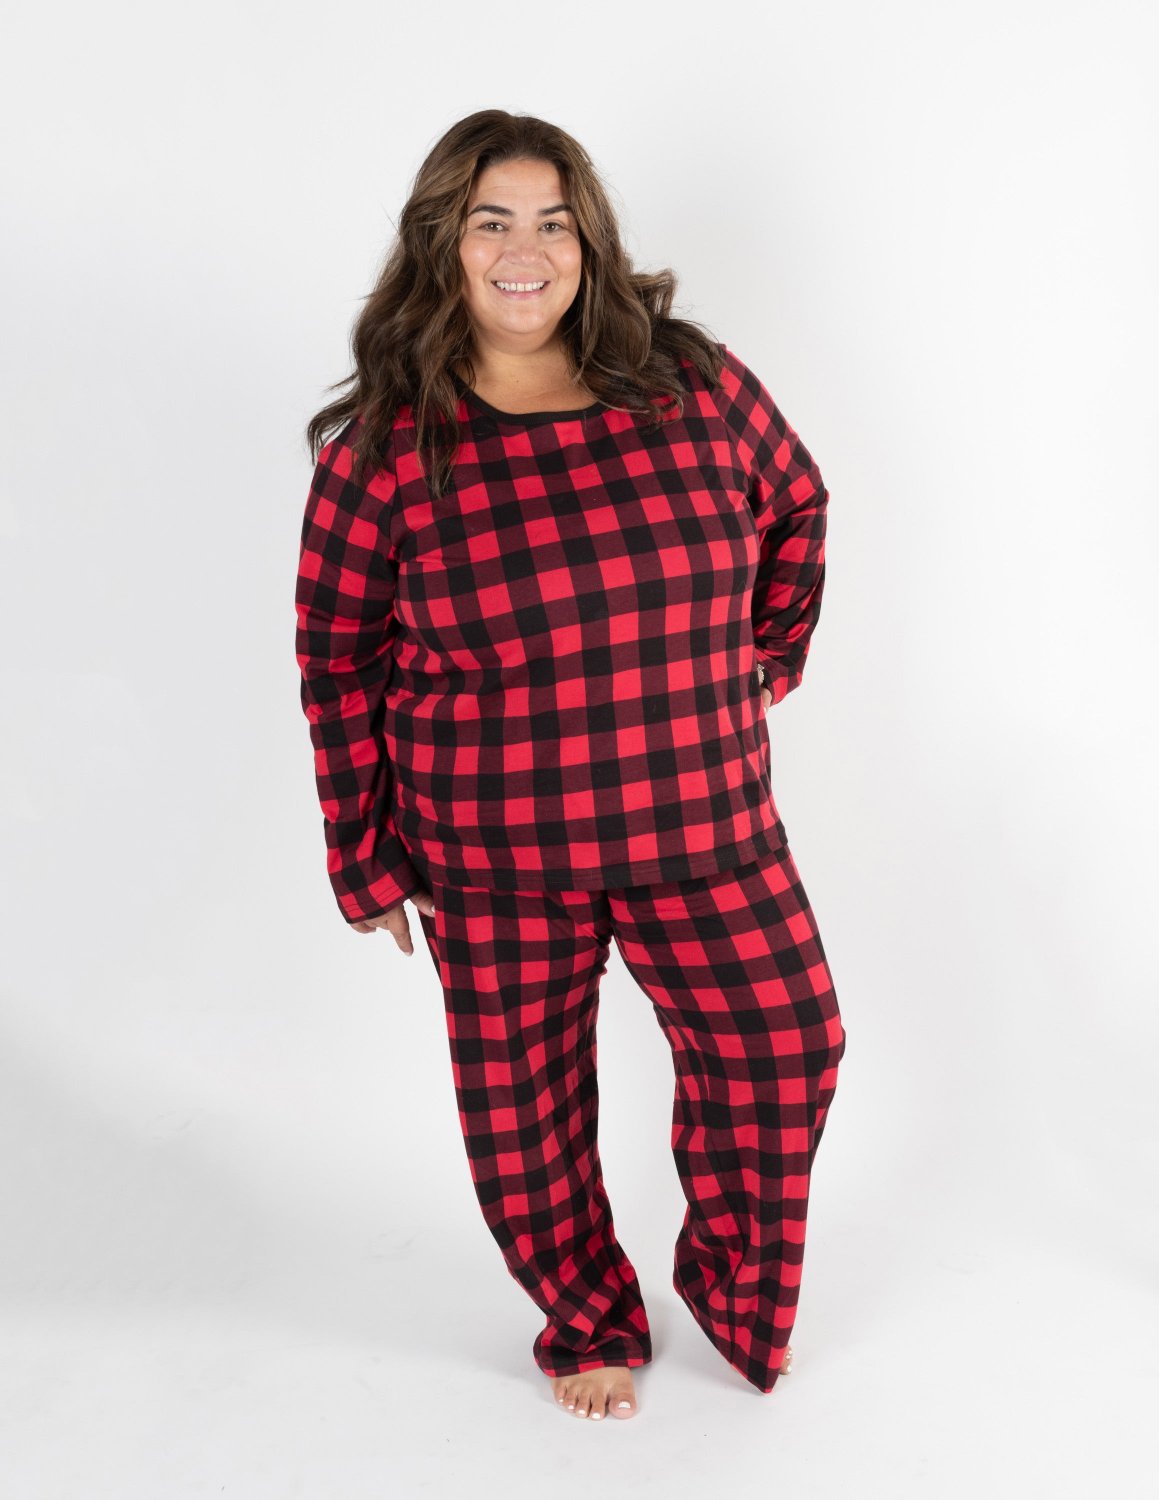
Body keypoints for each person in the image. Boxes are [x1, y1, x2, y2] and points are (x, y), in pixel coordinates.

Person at [294, 109, 847, 1422]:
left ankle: (731, 1289)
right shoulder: (388, 447)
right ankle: (589, 1318)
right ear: (445, 244)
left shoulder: (691, 382)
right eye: (492, 222)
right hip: (492, 843)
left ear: (589, 243)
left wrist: (763, 659)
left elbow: (796, 503)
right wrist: (366, 857)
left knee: (789, 1040)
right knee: (523, 1109)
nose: (524, 251)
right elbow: (337, 659)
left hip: (699, 813)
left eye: (553, 222)